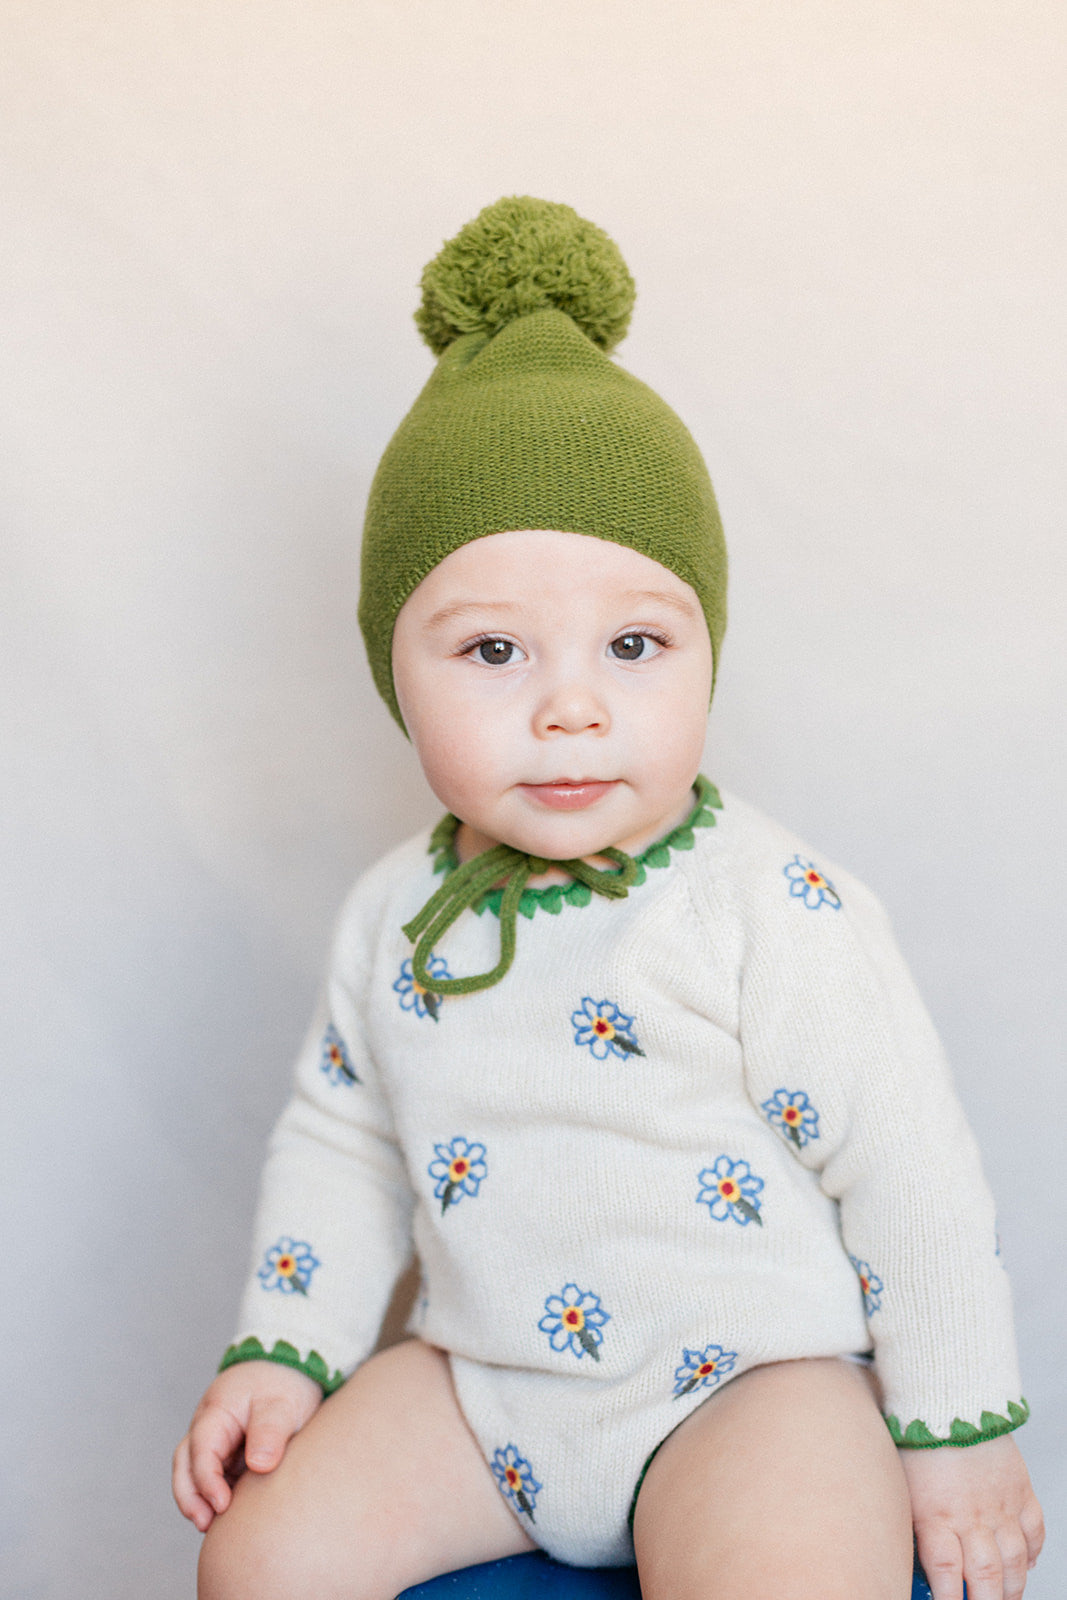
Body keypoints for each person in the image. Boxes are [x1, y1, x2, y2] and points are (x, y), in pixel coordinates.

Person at [173, 197, 1044, 1600]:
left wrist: (957, 1432)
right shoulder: (401, 915)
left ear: (708, 647)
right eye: (494, 648)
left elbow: (913, 1175)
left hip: (745, 1389)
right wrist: (285, 1346)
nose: (572, 707)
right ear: (392, 674)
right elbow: (348, 1149)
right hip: (489, 1386)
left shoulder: (769, 904)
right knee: (259, 1562)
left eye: (635, 642)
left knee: (799, 1565)